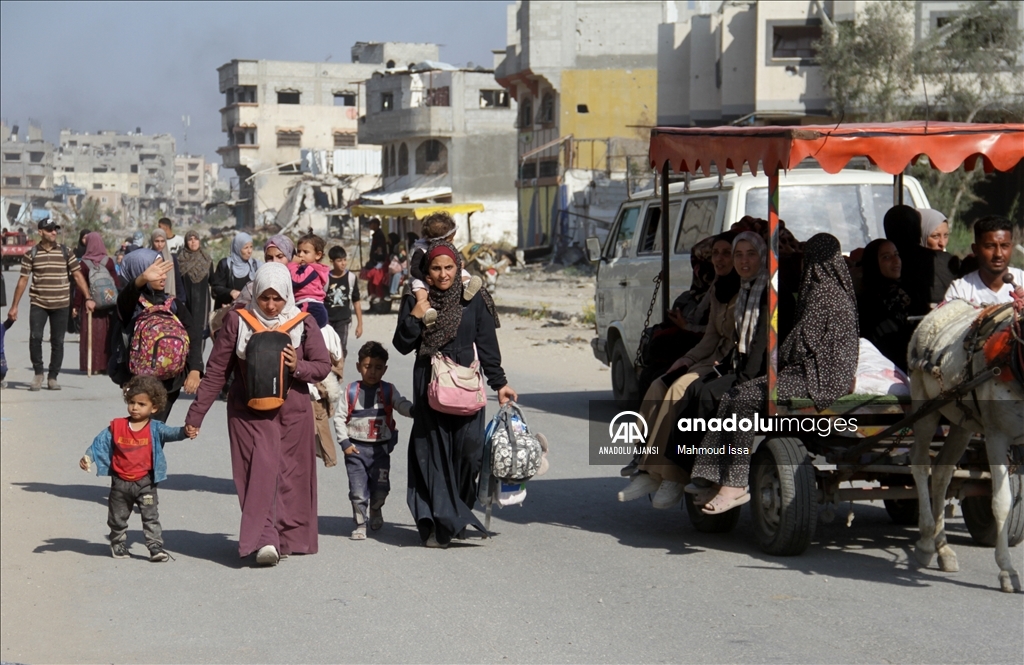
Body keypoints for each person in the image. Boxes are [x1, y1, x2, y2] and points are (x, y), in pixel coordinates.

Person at [692, 233, 859, 514]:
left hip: (817, 379)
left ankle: (734, 483)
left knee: (742, 398)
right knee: (738, 395)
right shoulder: (838, 288)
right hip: (823, 375)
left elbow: (802, 342)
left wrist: (779, 354)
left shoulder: (822, 292)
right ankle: (715, 474)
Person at [184, 263, 332, 566]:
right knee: (258, 473)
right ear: (256, 294)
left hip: (293, 412)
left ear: (287, 296)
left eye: (277, 298)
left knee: (290, 475)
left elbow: (322, 365)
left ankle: (287, 538)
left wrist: (297, 367)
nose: (271, 305)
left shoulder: (303, 323)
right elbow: (215, 373)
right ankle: (265, 539)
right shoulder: (238, 322)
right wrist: (195, 415)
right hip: (247, 412)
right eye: (265, 297)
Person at [393, 240, 517, 548]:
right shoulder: (416, 300)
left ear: (458, 267)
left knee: (470, 454)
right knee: (432, 457)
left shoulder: (472, 298)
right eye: (436, 268)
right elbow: (401, 343)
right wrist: (416, 315)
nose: (444, 274)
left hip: (466, 384)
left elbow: (487, 343)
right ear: (427, 271)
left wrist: (500, 384)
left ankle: (456, 514)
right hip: (429, 382)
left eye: (449, 267)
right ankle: (436, 524)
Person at [618, 232, 739, 505]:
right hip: (709, 356)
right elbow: (709, 336)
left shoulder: (746, 290)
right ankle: (644, 461)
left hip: (727, 362)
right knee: (659, 382)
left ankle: (670, 474)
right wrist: (686, 359)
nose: (719, 259)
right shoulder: (719, 289)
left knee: (679, 389)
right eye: (716, 253)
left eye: (727, 253)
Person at [79, 375, 195, 562]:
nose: (135, 407)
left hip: (145, 483)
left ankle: (155, 546)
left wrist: (185, 431)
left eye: (141, 404)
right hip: (120, 483)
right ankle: (117, 543)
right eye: (132, 402)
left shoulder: (156, 428)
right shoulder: (117, 426)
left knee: (150, 516)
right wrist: (88, 457)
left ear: (154, 408)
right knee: (117, 517)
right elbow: (100, 443)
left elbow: (173, 433)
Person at [334, 341, 413, 540]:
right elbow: (339, 418)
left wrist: (413, 411)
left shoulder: (388, 391)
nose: (372, 372)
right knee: (358, 490)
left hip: (381, 451)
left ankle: (376, 509)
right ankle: (360, 524)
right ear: (359, 366)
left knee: (380, 490)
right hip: (356, 451)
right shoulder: (351, 391)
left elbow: (400, 404)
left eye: (378, 368)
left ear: (385, 369)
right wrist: (345, 444)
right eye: (368, 366)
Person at [7, 217, 95, 391]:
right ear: (40, 232)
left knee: (57, 341)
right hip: (39, 303)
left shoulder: (65, 252)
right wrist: (14, 306)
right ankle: (38, 373)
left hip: (61, 303)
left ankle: (53, 376)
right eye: (49, 230)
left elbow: (78, 276)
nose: (54, 232)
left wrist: (88, 298)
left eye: (55, 229)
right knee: (35, 337)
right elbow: (23, 280)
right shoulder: (31, 254)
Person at [116, 249, 204, 422]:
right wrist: (142, 279)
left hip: (171, 382)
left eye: (163, 271)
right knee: (141, 429)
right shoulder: (131, 304)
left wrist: (195, 370)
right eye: (156, 272)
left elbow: (192, 335)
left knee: (156, 430)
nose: (162, 276)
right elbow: (124, 300)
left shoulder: (174, 304)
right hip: (140, 381)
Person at [407, 213, 481, 328]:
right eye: (450, 240)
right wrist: (425, 277)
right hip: (426, 279)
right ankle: (425, 308)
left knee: (462, 272)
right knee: (418, 286)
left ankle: (467, 285)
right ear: (440, 240)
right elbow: (414, 269)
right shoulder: (421, 250)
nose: (452, 242)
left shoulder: (448, 249)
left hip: (447, 278)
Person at [884, 205, 957, 315]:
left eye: (946, 235)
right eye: (935, 236)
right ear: (920, 232)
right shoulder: (942, 261)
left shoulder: (880, 263)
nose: (942, 243)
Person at [943, 215, 1024, 306]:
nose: (998, 254)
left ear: (1011, 247)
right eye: (990, 246)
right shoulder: (960, 291)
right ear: (975, 249)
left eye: (1004, 246)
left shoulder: (1022, 279)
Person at [858, 239, 912, 371]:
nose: (896, 260)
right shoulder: (869, 303)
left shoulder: (908, 292)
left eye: (896, 254)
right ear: (873, 263)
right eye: (886, 257)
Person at [76, 232, 118, 374]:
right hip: (107, 304)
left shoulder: (84, 263)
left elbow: (80, 286)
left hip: (90, 304)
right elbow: (116, 283)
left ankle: (92, 366)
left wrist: (76, 305)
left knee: (91, 334)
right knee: (107, 334)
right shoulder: (109, 261)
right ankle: (106, 365)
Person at [177, 230, 214, 355]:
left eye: (196, 238)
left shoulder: (207, 260)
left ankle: (198, 367)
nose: (193, 242)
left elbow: (213, 281)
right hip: (185, 303)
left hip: (203, 305)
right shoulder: (179, 260)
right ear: (186, 242)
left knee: (201, 334)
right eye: (190, 239)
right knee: (185, 334)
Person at [325, 245, 363, 362]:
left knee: (341, 347)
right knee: (326, 347)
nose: (343, 263)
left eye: (344, 260)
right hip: (327, 320)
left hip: (343, 319)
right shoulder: (325, 278)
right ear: (332, 261)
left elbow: (356, 301)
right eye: (339, 260)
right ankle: (327, 373)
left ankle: (338, 372)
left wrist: (360, 324)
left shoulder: (351, 278)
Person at [289, 232, 331, 328]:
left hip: (309, 305)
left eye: (305, 252)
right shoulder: (311, 268)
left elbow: (297, 281)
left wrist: (292, 265)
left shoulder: (311, 268)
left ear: (318, 255)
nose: (300, 255)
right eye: (299, 251)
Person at [211, 232, 258, 309]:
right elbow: (216, 288)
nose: (249, 251)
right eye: (246, 248)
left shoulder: (254, 265)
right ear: (237, 248)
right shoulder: (225, 264)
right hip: (226, 311)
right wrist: (230, 292)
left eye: (251, 247)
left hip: (247, 312)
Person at [150, 229, 184, 299]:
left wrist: (181, 298)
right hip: (151, 296)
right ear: (152, 241)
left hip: (168, 297)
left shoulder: (171, 258)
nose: (160, 244)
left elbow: (177, 280)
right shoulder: (147, 258)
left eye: (162, 241)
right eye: (157, 241)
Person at [0, 315, 14, 389]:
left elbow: (8, 323)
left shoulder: (1, 326)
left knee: (3, 370)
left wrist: (12, 319)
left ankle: (1, 379)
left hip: (0, 353)